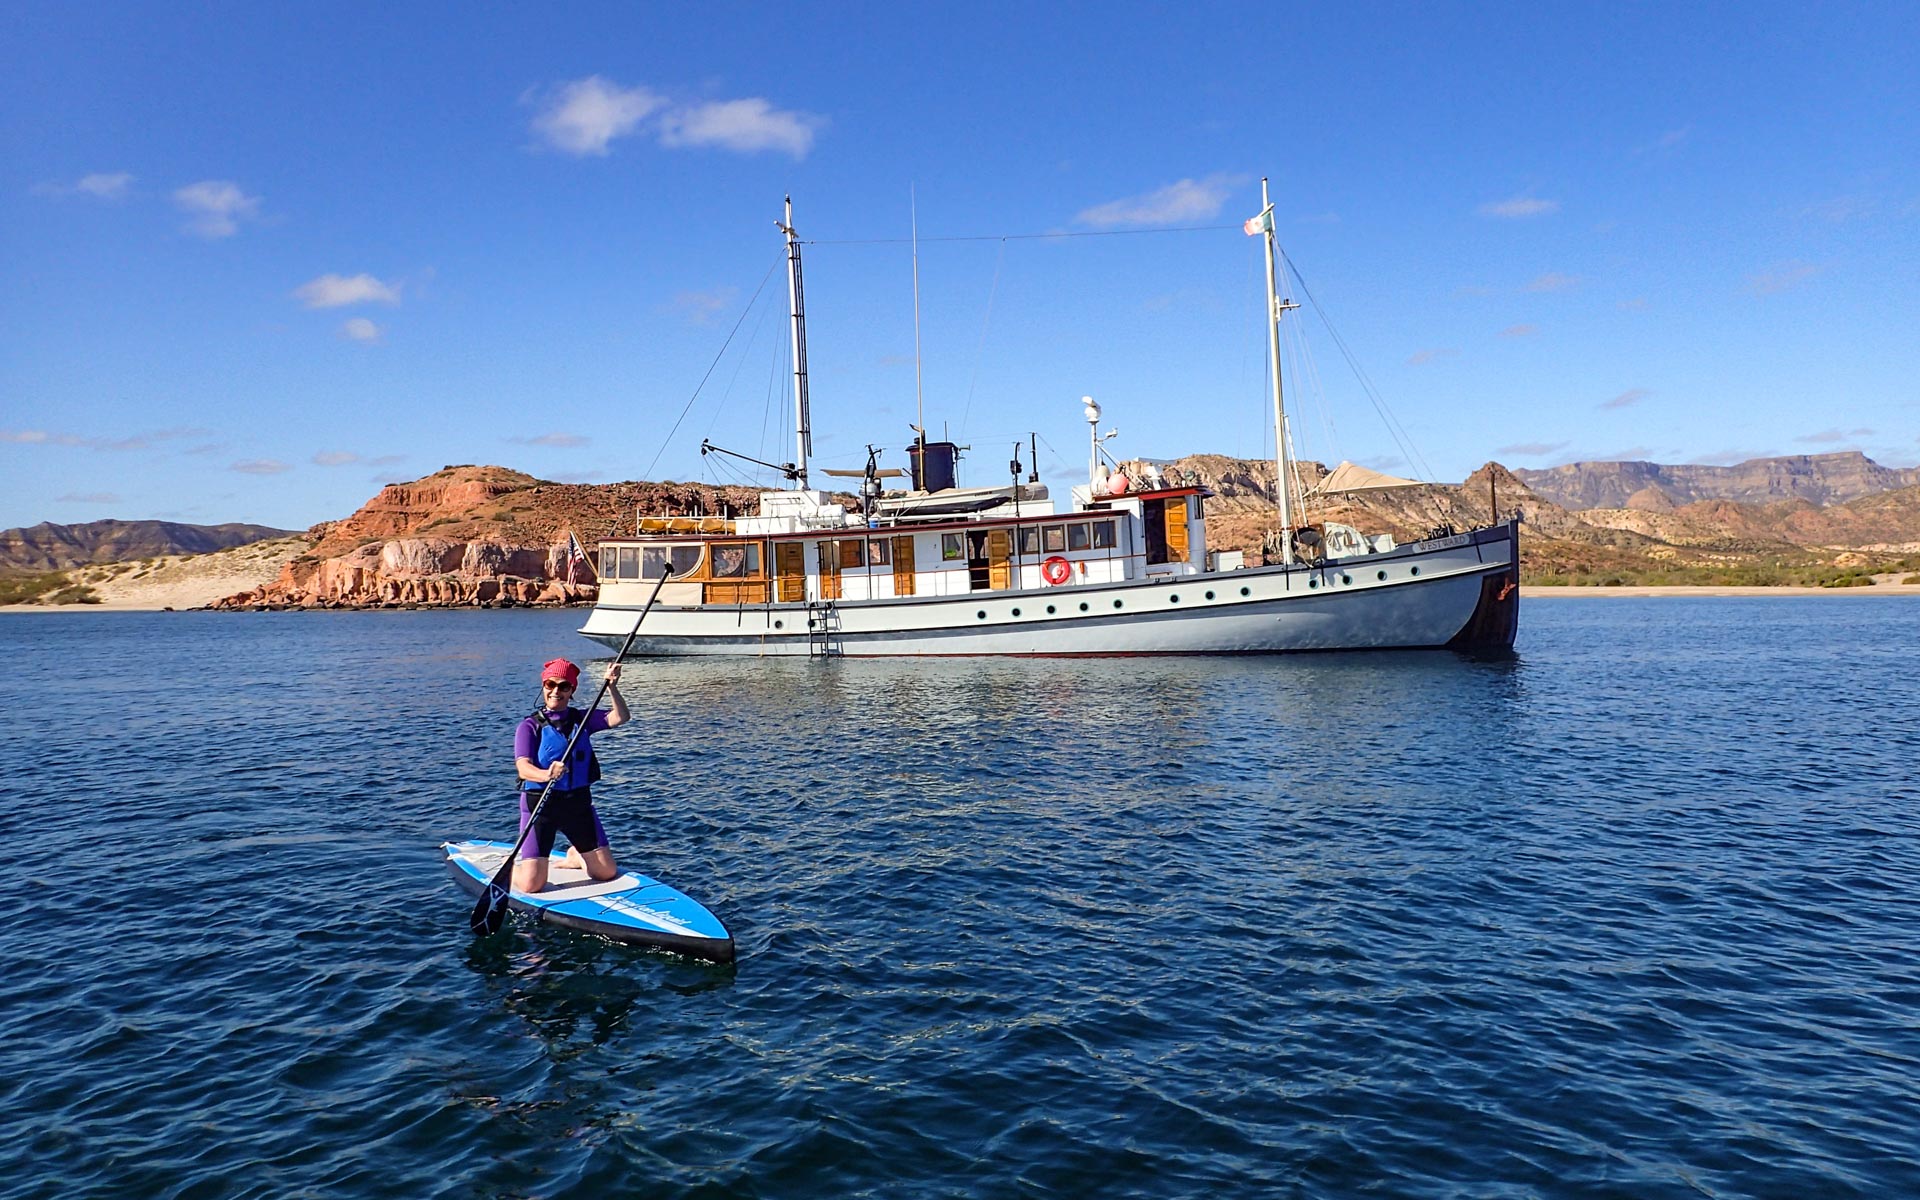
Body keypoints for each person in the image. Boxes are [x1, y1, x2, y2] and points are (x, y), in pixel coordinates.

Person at [511, 657, 629, 893]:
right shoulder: (529, 727)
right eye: (550, 685)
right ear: (543, 687)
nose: (556, 691)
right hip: (540, 808)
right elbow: (523, 768)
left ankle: (576, 855)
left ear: (572, 690)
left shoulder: (582, 720)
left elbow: (620, 717)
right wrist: (546, 774)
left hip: (577, 805)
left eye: (564, 686)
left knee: (606, 873)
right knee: (531, 886)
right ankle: (514, 867)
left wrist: (612, 687)